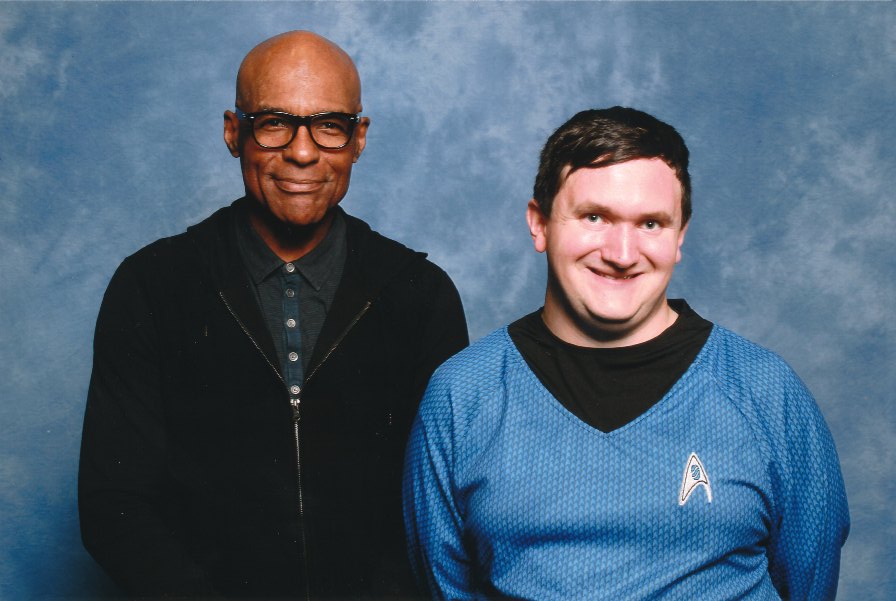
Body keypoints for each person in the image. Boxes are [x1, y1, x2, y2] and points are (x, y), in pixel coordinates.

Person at [79, 30, 467, 599]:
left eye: (329, 125)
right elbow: (115, 504)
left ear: (358, 138)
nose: (302, 152)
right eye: (274, 122)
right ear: (233, 132)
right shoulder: (151, 286)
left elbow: (441, 500)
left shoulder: (421, 295)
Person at [403, 107, 849, 600]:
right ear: (540, 223)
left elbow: (810, 579)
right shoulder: (463, 394)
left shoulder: (764, 390)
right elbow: (442, 584)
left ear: (680, 237)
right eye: (595, 217)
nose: (621, 253)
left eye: (651, 224)